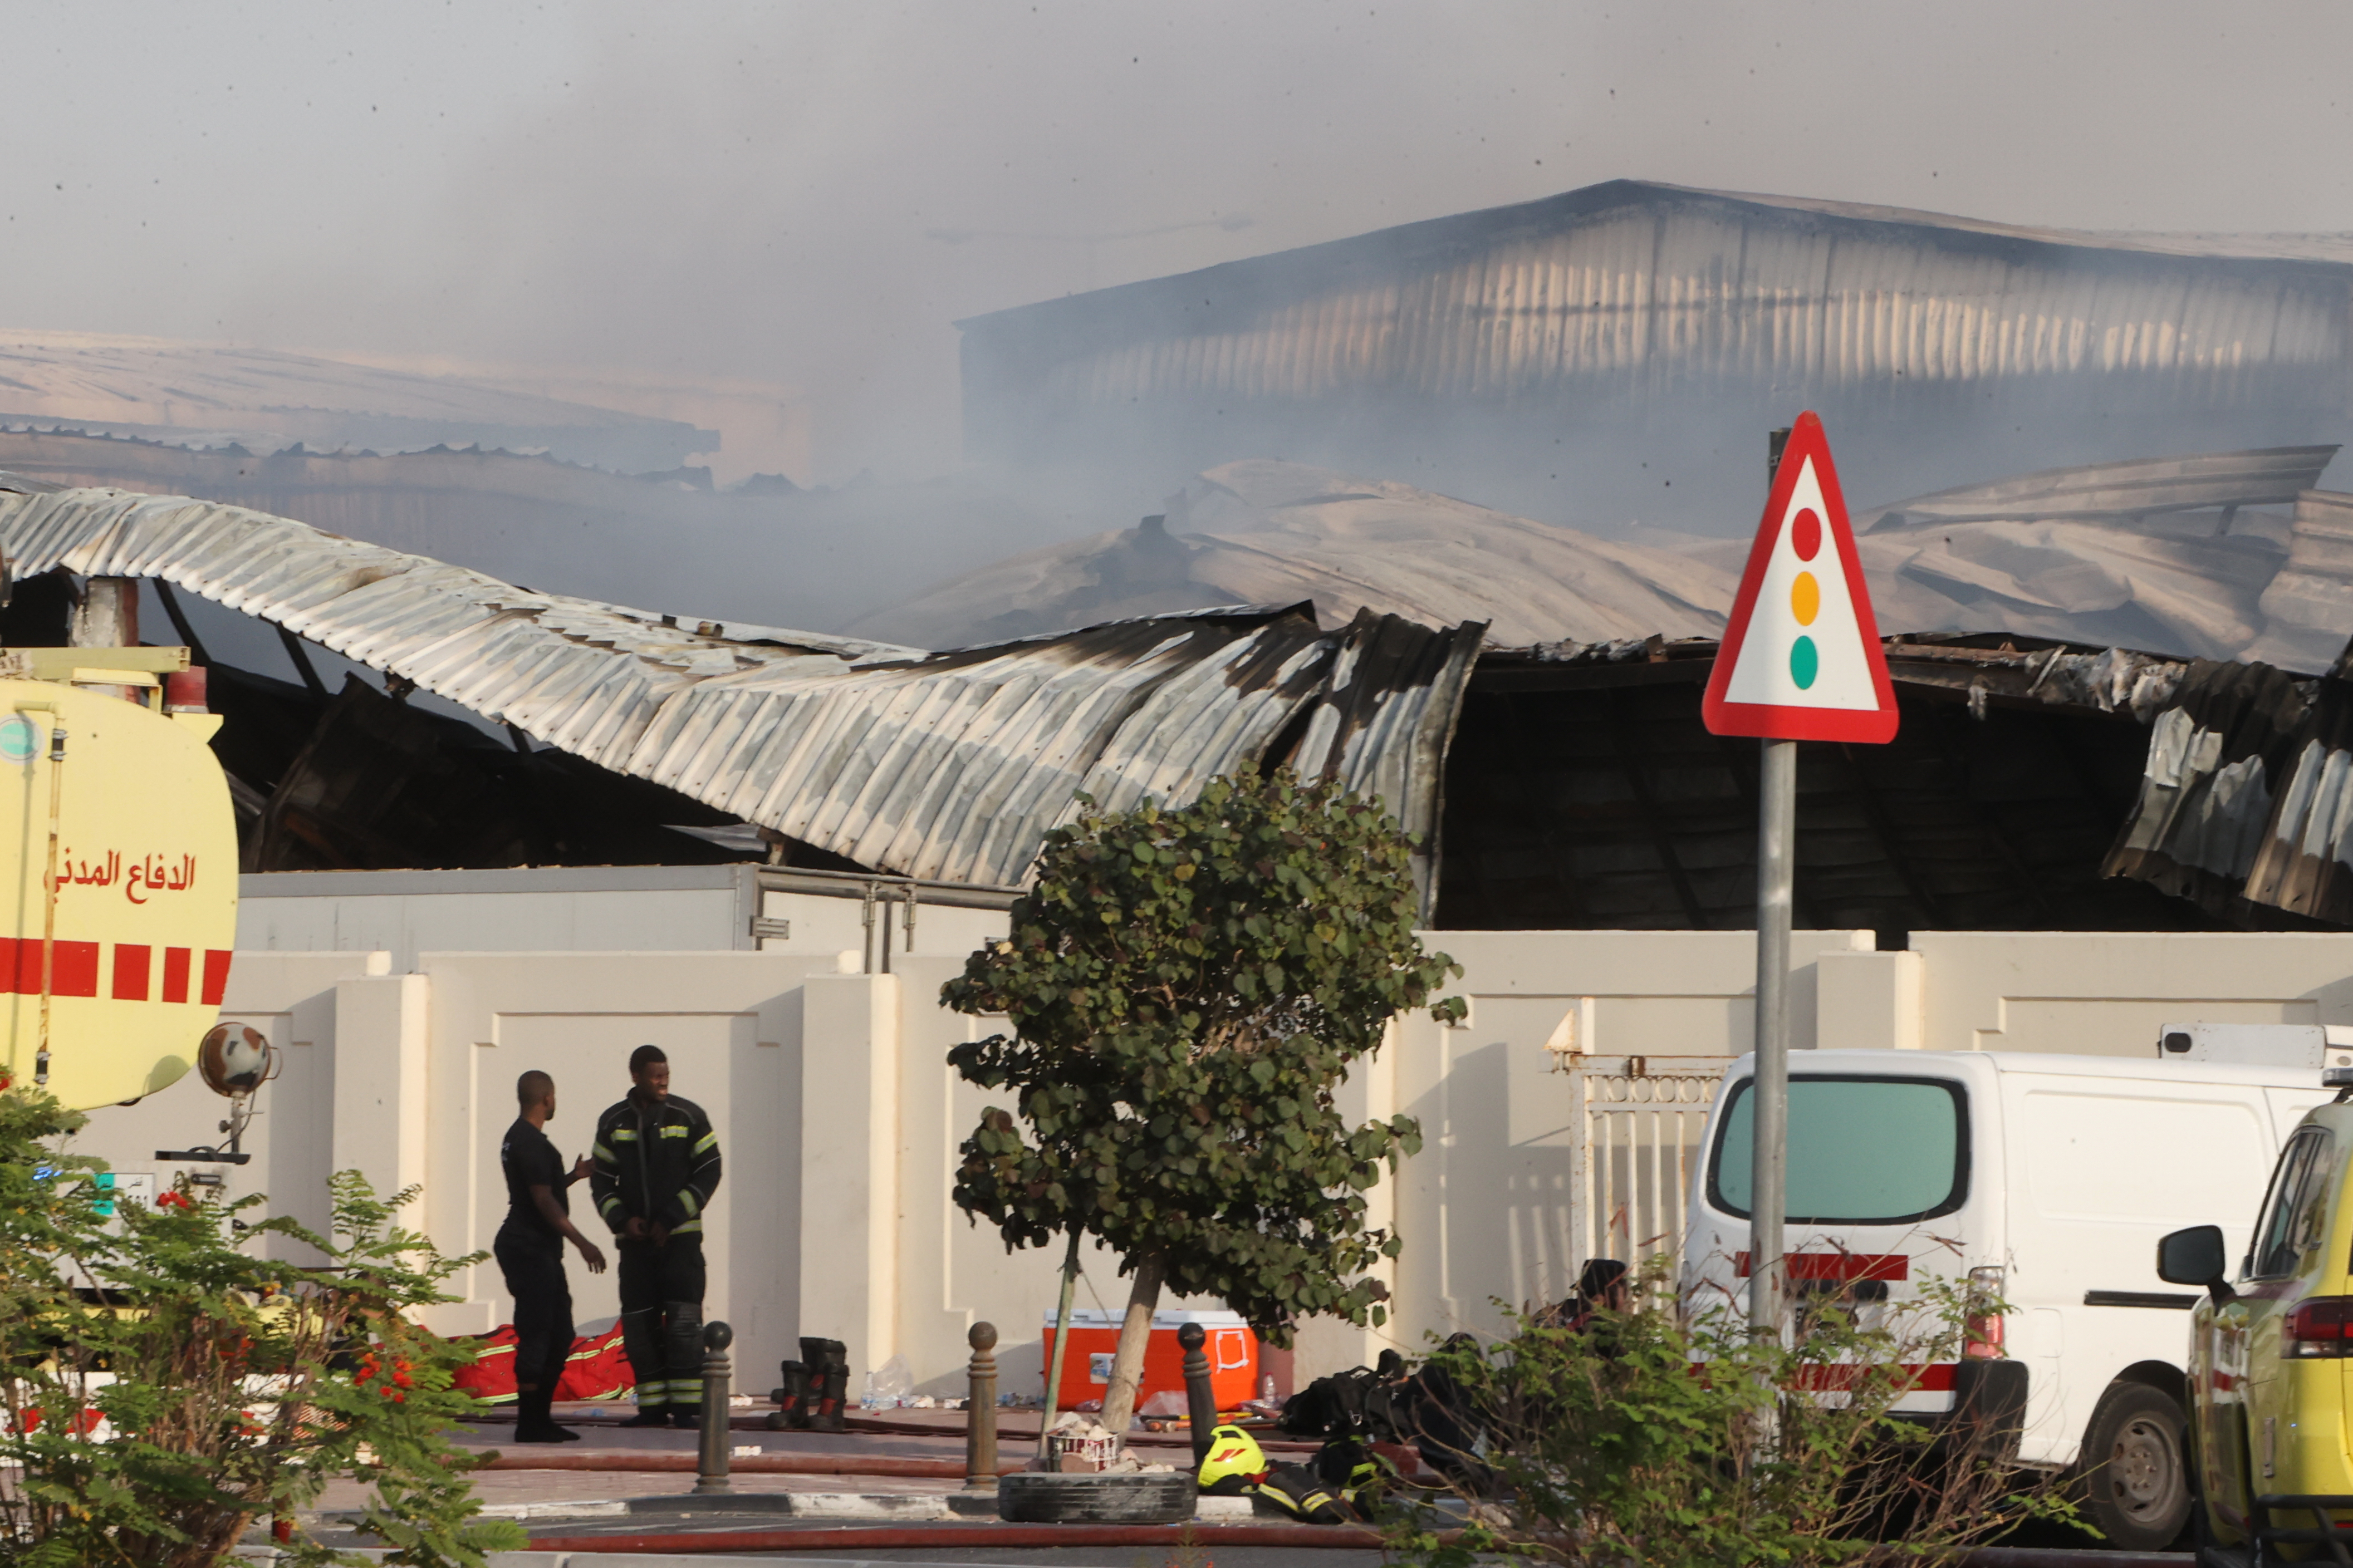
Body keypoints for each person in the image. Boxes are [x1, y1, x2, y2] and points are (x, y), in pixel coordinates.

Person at [590, 1044, 723, 1429]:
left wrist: (671, 1216)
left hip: (681, 1244)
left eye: (666, 1073)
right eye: (655, 1074)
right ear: (635, 1075)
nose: (663, 1080)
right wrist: (621, 1220)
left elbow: (710, 1170)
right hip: (635, 1248)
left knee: (684, 1324)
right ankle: (651, 1407)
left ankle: (687, 1409)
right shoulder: (614, 1122)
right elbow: (601, 1179)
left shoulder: (689, 1116)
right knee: (638, 1326)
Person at [496, 1069, 607, 1444]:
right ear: (547, 1098)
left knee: (560, 1333)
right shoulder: (531, 1142)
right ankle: (529, 1423)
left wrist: (573, 1176)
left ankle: (540, 1419)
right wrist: (582, 1242)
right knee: (538, 1332)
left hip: (535, 1247)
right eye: (554, 1097)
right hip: (528, 1247)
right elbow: (542, 1200)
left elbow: (539, 1188)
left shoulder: (518, 1138)